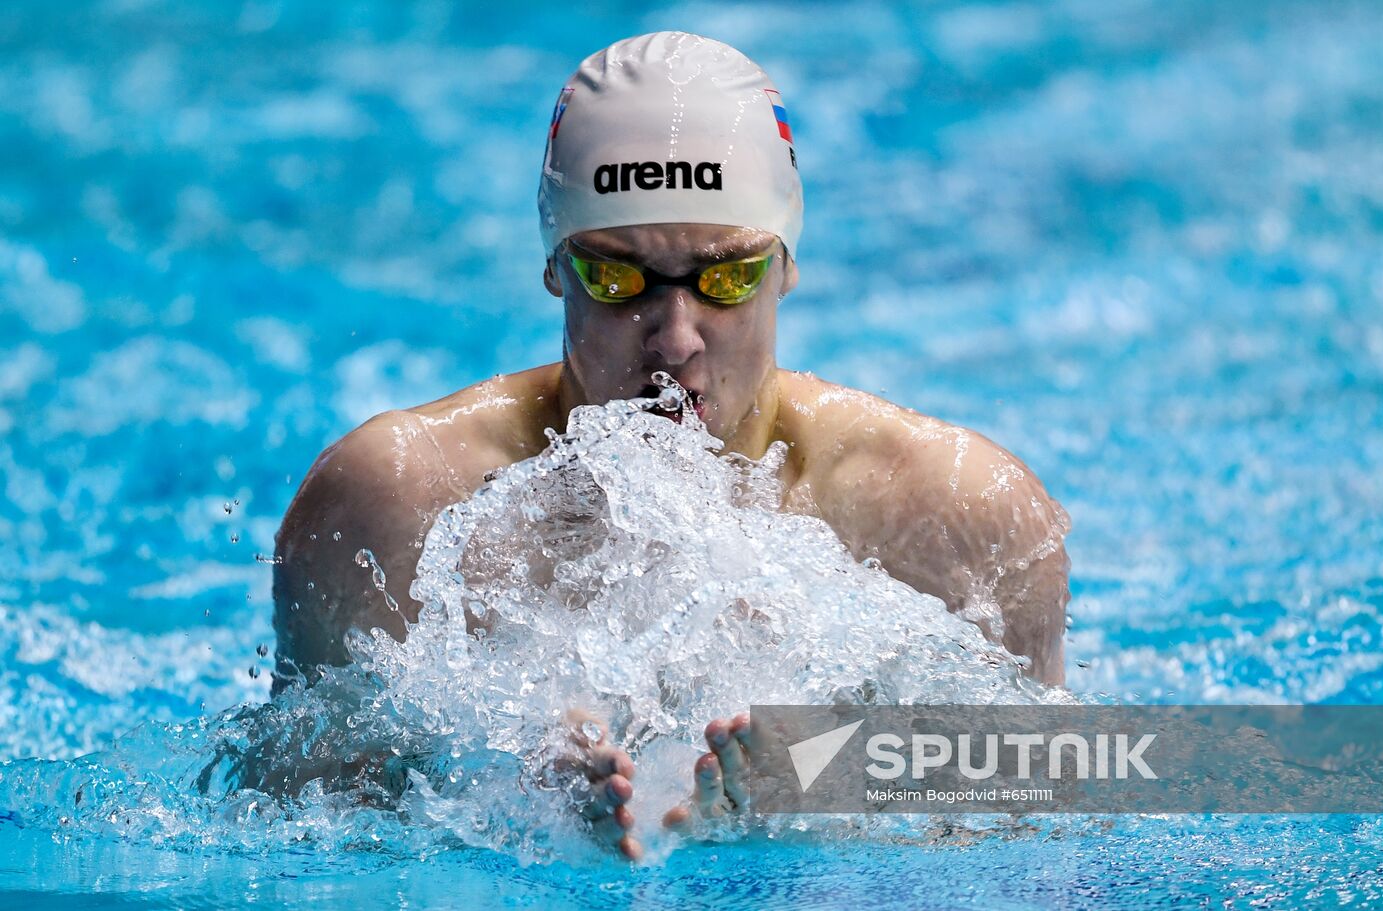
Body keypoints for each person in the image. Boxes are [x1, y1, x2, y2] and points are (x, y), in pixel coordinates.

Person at [271, 31, 1071, 860]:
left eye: (727, 278)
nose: (674, 339)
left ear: (787, 264)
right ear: (555, 264)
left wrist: (827, 794)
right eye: (615, 279)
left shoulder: (956, 512)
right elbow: (289, 841)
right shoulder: (390, 505)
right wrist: (498, 797)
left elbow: (1042, 846)